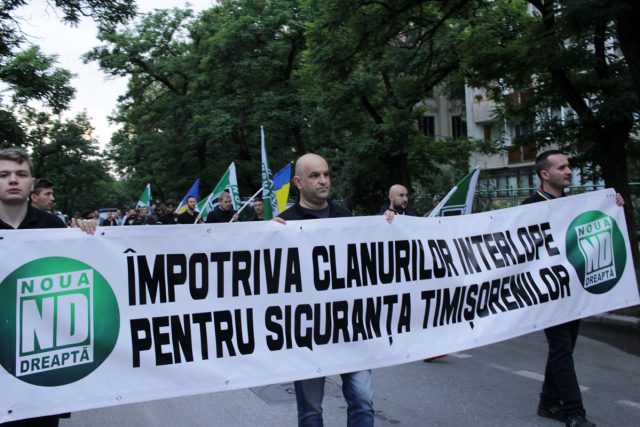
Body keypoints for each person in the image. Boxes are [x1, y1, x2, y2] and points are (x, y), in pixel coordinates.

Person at [523, 150, 623, 427]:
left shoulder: (575, 205)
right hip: (548, 292)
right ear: (545, 174)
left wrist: (614, 204)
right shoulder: (528, 207)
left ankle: (547, 402)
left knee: (563, 349)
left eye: (569, 166)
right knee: (561, 348)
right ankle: (573, 412)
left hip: (573, 291)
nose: (569, 171)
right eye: (562, 167)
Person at [276, 153, 374, 427]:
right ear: (298, 182)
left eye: (326, 174)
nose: (323, 180)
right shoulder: (283, 224)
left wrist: (390, 227)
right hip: (308, 333)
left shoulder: (346, 217)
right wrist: (268, 240)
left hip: (350, 328)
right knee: (310, 411)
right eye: (315, 175)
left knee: (363, 402)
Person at [0, 148, 96, 427]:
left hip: (40, 362)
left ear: (31, 183)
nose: (13, 180)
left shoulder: (53, 226)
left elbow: (87, 275)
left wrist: (89, 236)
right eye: (4, 174)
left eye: (21, 174)